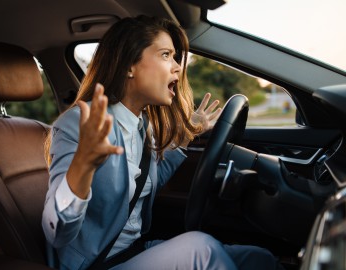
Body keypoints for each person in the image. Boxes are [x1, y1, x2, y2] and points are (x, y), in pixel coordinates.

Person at [42, 15, 280, 270]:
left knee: (258, 258)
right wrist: (83, 166)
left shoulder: (141, 124)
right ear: (128, 65)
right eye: (166, 55)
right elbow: (56, 232)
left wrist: (187, 135)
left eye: (176, 57)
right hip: (95, 264)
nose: (178, 67)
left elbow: (147, 179)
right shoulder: (79, 123)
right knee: (201, 250)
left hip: (134, 252)